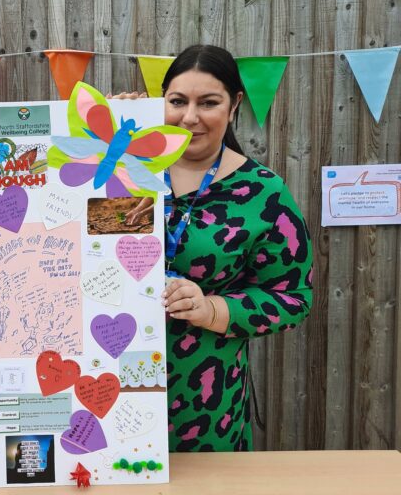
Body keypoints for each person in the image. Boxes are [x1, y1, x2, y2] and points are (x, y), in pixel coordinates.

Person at [120, 44, 312, 451]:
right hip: (105, 388)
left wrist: (211, 309)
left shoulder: (263, 192)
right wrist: (107, 136)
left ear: (234, 103)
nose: (190, 117)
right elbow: (51, 213)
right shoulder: (124, 168)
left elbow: (293, 297)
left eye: (208, 102)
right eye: (177, 101)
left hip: (204, 404)